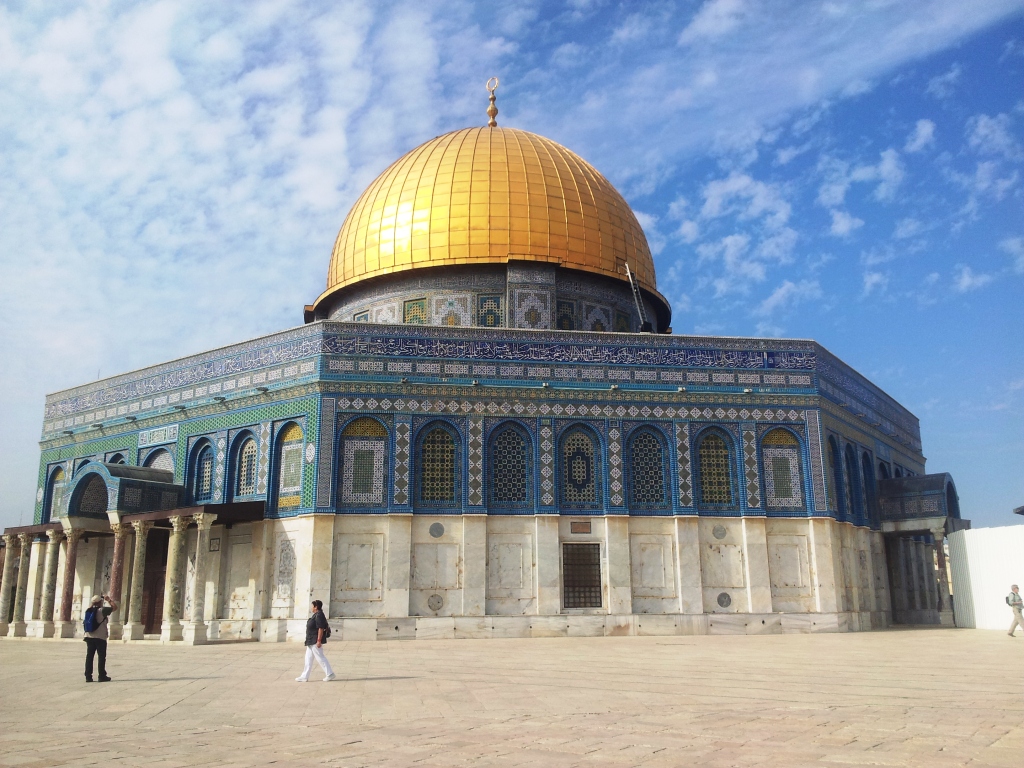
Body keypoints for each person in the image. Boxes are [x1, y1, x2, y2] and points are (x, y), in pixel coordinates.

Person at [296, 600, 335, 682]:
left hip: (315, 641)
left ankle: (330, 674)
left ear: (316, 607)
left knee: (320, 657)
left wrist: (319, 641)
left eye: (312, 606)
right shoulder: (316, 615)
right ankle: (304, 676)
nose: (311, 608)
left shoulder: (319, 615)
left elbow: (320, 628)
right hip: (311, 640)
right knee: (308, 659)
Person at [84, 593, 117, 682]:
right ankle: (102, 675)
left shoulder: (88, 610)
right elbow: (115, 607)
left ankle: (88, 676)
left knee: (89, 656)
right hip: (100, 637)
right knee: (101, 656)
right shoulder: (102, 610)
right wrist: (108, 599)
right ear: (100, 602)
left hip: (89, 636)